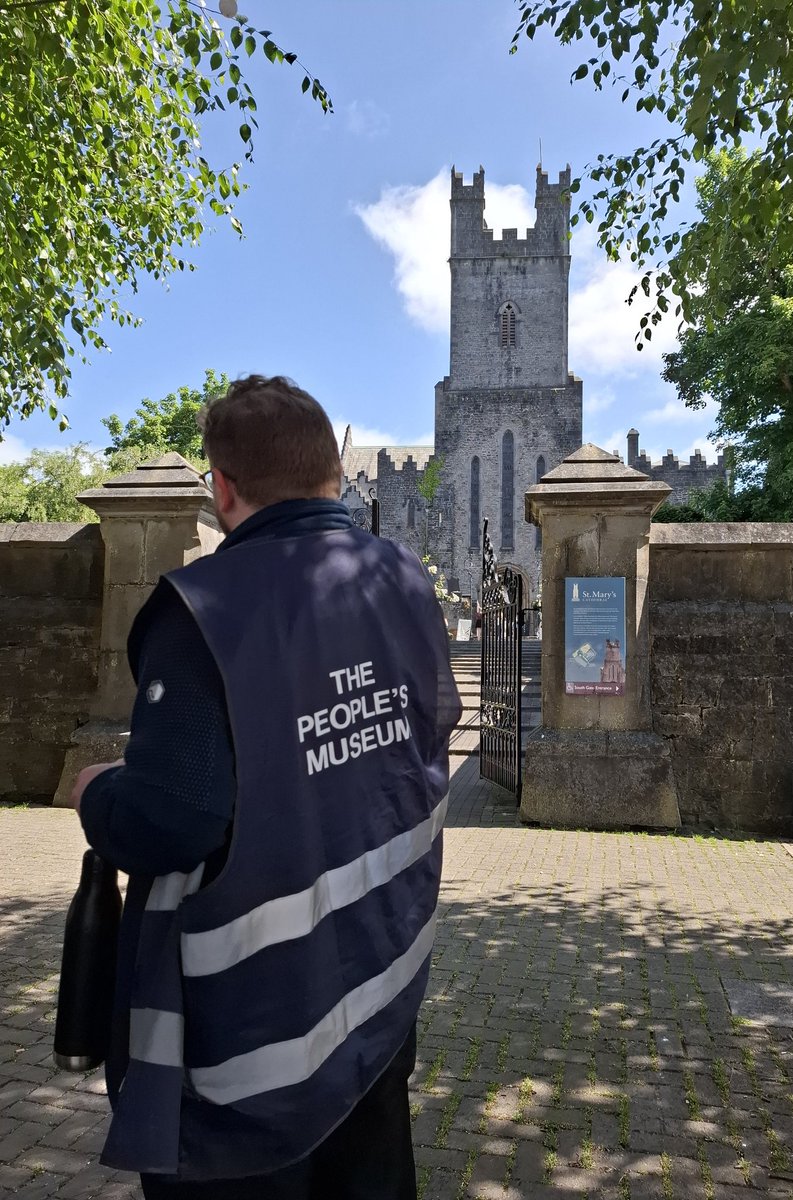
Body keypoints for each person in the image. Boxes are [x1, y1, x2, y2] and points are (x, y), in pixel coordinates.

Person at [71, 376, 462, 1198]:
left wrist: (97, 793)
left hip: (249, 1066)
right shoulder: (402, 580)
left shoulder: (204, 609)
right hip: (381, 999)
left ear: (221, 487)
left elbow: (173, 817)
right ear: (331, 475)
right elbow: (425, 735)